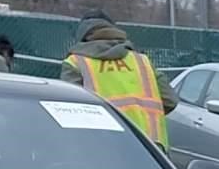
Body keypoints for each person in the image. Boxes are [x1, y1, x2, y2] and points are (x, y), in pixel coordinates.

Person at [60, 13, 175, 145]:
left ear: (82, 35)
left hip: (104, 148)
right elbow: (170, 100)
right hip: (150, 149)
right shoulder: (141, 60)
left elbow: (69, 111)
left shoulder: (75, 63)